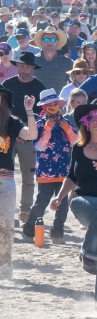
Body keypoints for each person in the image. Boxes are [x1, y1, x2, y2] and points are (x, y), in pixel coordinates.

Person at [48, 101, 97, 315]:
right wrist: (59, 197)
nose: (94, 121)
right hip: (83, 202)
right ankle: (87, 251)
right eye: (90, 118)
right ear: (84, 123)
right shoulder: (79, 148)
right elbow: (72, 177)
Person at [22, 89, 76, 244]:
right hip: (46, 170)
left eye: (55, 103)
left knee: (63, 204)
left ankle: (57, 233)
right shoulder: (39, 124)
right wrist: (48, 128)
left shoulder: (66, 123)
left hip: (63, 170)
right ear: (44, 107)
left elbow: (75, 141)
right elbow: (39, 146)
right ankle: (29, 230)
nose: (54, 106)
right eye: (50, 104)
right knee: (42, 202)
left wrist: (65, 127)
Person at [3, 51, 45, 227]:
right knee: (4, 174)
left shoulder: (39, 87)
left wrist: (24, 131)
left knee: (28, 175)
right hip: (7, 133)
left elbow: (42, 114)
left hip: (29, 135)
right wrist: (16, 131)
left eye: (27, 66)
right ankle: (6, 210)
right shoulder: (7, 84)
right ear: (16, 66)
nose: (24, 69)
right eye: (21, 66)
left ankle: (25, 211)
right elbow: (3, 110)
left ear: (32, 68)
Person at [0, 87, 37, 278]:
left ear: (3, 99)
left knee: (6, 225)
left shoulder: (12, 122)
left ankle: (4, 267)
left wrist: (29, 111)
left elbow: (31, 135)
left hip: (4, 179)